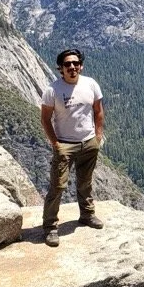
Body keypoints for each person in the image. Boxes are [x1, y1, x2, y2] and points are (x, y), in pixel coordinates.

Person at [39, 48, 105, 247]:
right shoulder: (52, 90)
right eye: (67, 64)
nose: (72, 67)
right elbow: (45, 119)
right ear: (60, 68)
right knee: (58, 185)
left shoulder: (91, 84)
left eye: (75, 63)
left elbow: (98, 111)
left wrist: (98, 136)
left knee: (85, 182)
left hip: (89, 142)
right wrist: (56, 144)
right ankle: (50, 226)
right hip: (65, 145)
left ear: (81, 65)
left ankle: (87, 215)